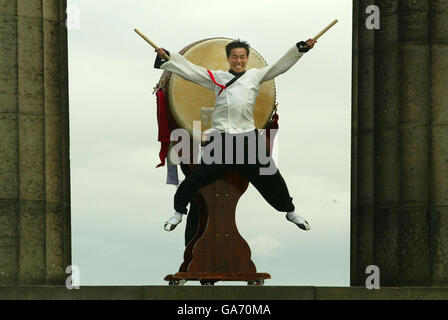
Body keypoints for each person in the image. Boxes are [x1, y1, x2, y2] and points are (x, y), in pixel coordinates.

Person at [154, 38, 317, 232]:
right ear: (229, 59)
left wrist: (299, 49)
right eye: (234, 57)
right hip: (222, 140)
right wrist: (168, 57)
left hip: (248, 139)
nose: (238, 60)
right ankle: (178, 212)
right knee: (197, 178)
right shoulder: (218, 77)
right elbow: (191, 71)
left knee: (272, 177)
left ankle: (290, 211)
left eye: (242, 57)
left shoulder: (256, 76)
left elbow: (279, 66)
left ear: (247, 59)